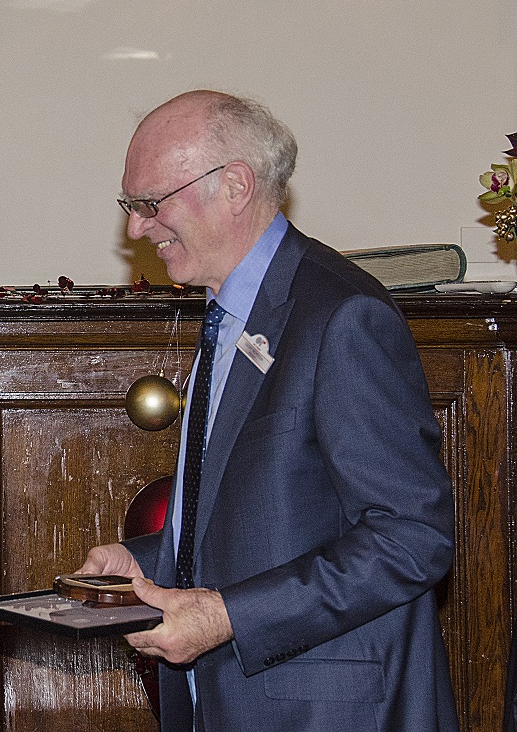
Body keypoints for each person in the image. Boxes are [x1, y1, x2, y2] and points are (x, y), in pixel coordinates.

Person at [79, 91, 458, 730]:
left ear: (235, 186)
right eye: (132, 206)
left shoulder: (342, 315)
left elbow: (412, 536)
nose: (137, 228)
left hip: (326, 711)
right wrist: (145, 563)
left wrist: (227, 617)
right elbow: (266, 518)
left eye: (152, 203)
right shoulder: (228, 313)